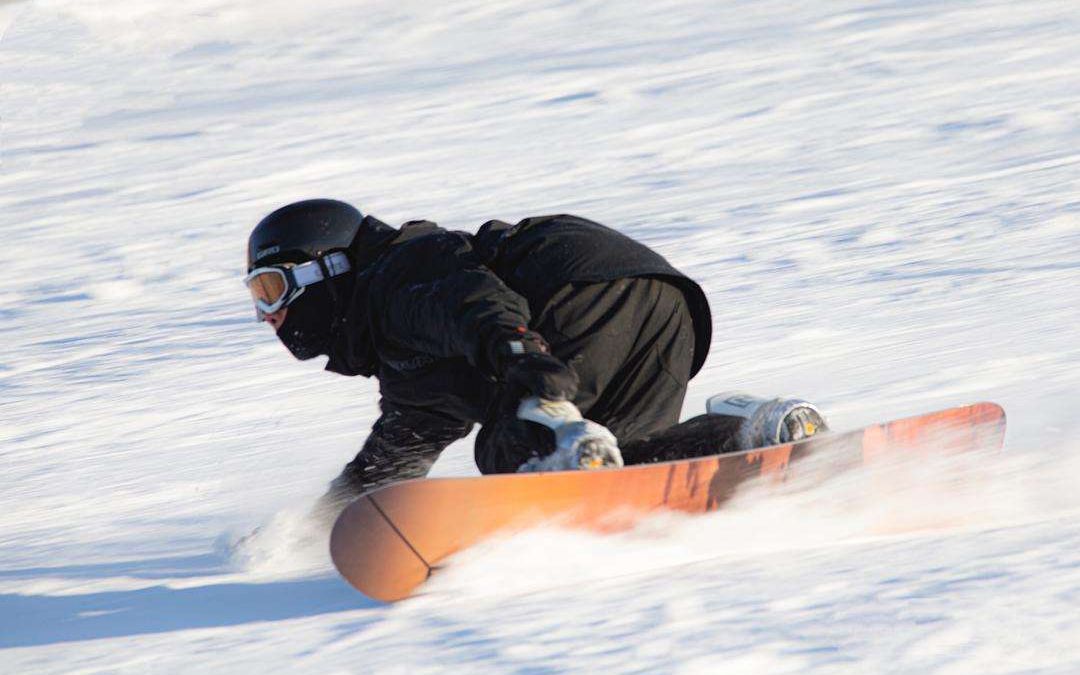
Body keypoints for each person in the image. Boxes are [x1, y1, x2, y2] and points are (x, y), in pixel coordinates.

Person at [244, 199, 826, 512]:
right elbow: (401, 446)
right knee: (634, 465)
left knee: (505, 447)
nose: (267, 314)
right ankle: (754, 430)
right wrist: (328, 522)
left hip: (570, 292)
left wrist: (520, 350)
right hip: (662, 298)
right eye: (256, 296)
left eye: (271, 287)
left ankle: (559, 455)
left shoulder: (397, 284)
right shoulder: (407, 362)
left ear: (325, 270)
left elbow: (468, 300)